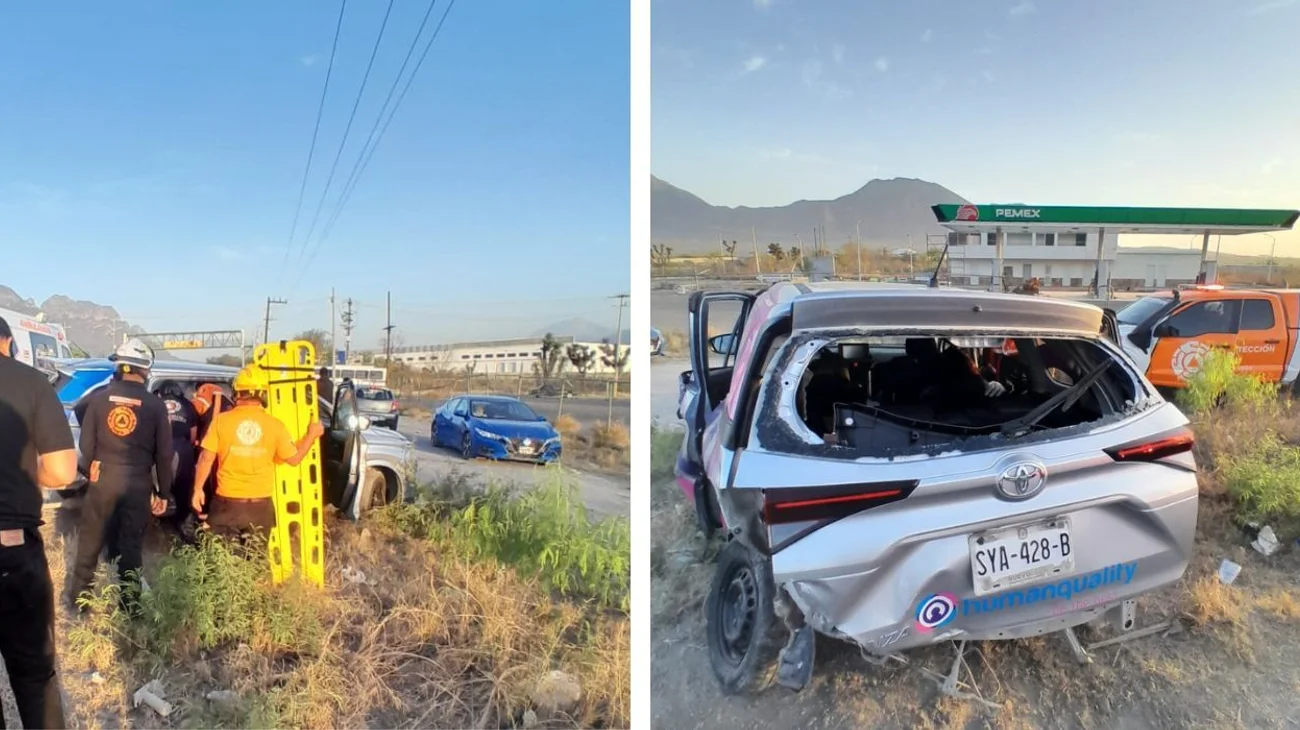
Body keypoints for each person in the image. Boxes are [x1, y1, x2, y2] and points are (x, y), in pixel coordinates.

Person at [0, 315, 76, 728]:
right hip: (12, 550)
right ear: (8, 343)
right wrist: (31, 474)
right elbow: (63, 471)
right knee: (34, 678)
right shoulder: (32, 384)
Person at [68, 338, 174, 614]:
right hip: (137, 483)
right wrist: (163, 492)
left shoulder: (99, 399)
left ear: (120, 367)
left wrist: (94, 463)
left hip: (102, 479)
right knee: (130, 546)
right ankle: (130, 608)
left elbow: (86, 445)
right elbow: (164, 455)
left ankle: (79, 603)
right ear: (145, 369)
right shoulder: (155, 406)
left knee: (90, 542)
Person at [191, 366, 323, 542]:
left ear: (237, 392)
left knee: (220, 554)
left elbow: (206, 458)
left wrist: (197, 489)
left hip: (227, 504)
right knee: (255, 555)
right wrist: (312, 435)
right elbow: (294, 458)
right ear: (263, 394)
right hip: (261, 507)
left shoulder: (221, 421)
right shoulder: (275, 425)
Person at [155, 381, 200, 537]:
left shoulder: (156, 403)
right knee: (183, 488)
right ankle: (184, 525)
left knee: (161, 485)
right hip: (182, 448)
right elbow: (193, 436)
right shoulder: (188, 405)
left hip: (160, 449)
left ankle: (159, 519)